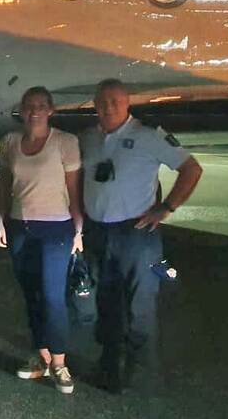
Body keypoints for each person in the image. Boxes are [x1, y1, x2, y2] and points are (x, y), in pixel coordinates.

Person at [80, 78, 203, 392]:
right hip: (98, 231)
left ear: (127, 103)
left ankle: (141, 371)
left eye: (114, 101)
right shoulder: (88, 138)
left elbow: (191, 169)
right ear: (94, 105)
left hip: (136, 233)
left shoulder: (149, 136)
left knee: (140, 301)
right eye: (102, 102)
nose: (107, 107)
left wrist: (166, 207)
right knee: (105, 301)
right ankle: (109, 365)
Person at [0, 86, 83, 395]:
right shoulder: (10, 142)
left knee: (52, 295)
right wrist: (0, 221)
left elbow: (74, 190)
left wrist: (79, 230)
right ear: (21, 109)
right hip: (20, 227)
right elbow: (4, 185)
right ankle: (41, 355)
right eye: (29, 105)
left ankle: (59, 361)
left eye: (41, 105)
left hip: (56, 229)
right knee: (31, 293)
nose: (34, 111)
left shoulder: (65, 143)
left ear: (51, 110)